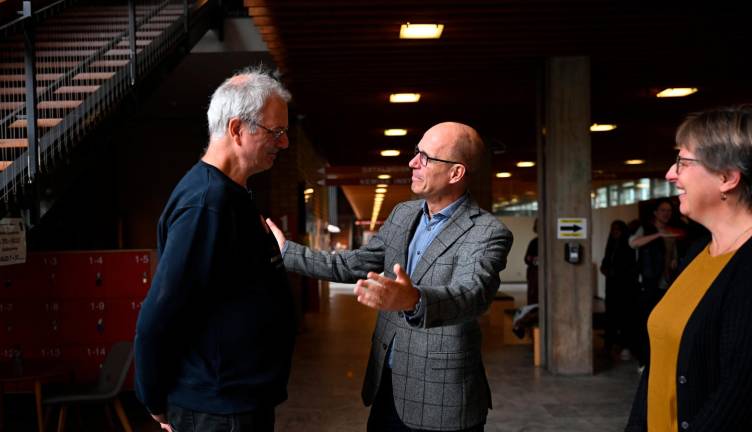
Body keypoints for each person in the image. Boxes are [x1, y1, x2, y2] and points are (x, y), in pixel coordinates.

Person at [267, 122, 513, 432]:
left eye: (426, 157)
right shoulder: (403, 215)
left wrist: (415, 300)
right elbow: (354, 263)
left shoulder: (488, 232)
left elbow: (473, 294)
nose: (413, 162)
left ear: (456, 173)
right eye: (416, 152)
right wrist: (286, 251)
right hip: (388, 384)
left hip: (442, 397)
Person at [134, 68, 296, 432]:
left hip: (237, 400)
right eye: (276, 132)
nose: (283, 143)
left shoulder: (229, 194)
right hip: (218, 408)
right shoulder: (207, 203)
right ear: (237, 129)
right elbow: (160, 313)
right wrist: (153, 397)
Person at [626, 105, 752, 432]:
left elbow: (737, 396)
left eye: (683, 161)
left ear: (727, 177)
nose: (671, 173)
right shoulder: (699, 252)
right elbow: (659, 370)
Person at [628, 198, 684, 367]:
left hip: (666, 283)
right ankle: (643, 360)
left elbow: (673, 254)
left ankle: (658, 359)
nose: (666, 214)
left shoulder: (671, 231)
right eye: (663, 210)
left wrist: (674, 260)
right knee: (645, 321)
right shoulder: (645, 229)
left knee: (661, 322)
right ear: (655, 212)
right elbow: (633, 243)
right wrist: (658, 235)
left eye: (669, 211)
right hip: (648, 282)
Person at [599, 220, 637, 359]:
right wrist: (605, 270)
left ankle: (624, 346)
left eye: (617, 230)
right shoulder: (610, 245)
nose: (614, 232)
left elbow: (630, 267)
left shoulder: (627, 246)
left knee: (624, 317)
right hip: (611, 287)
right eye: (612, 230)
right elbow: (605, 262)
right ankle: (608, 346)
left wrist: (617, 272)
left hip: (625, 288)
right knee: (610, 316)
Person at [523, 218, 539, 306]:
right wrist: (535, 260)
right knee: (534, 296)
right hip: (535, 273)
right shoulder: (534, 242)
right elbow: (526, 259)